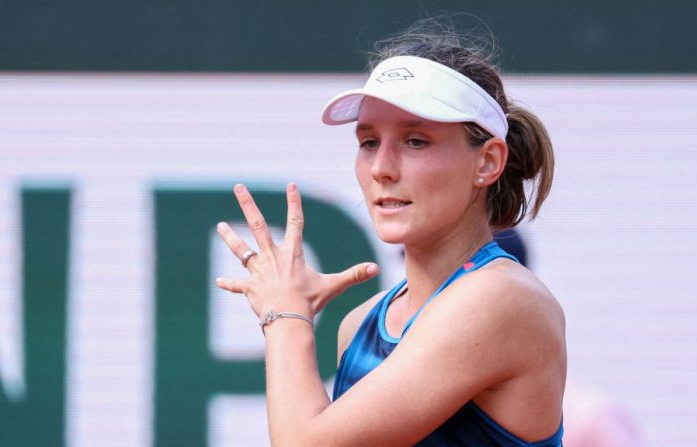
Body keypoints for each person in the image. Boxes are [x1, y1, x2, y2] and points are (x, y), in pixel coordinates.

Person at [214, 19, 566, 446]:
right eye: (368, 142)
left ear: (487, 161)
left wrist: (286, 314)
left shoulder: (501, 299)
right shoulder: (360, 324)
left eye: (416, 141)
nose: (381, 167)